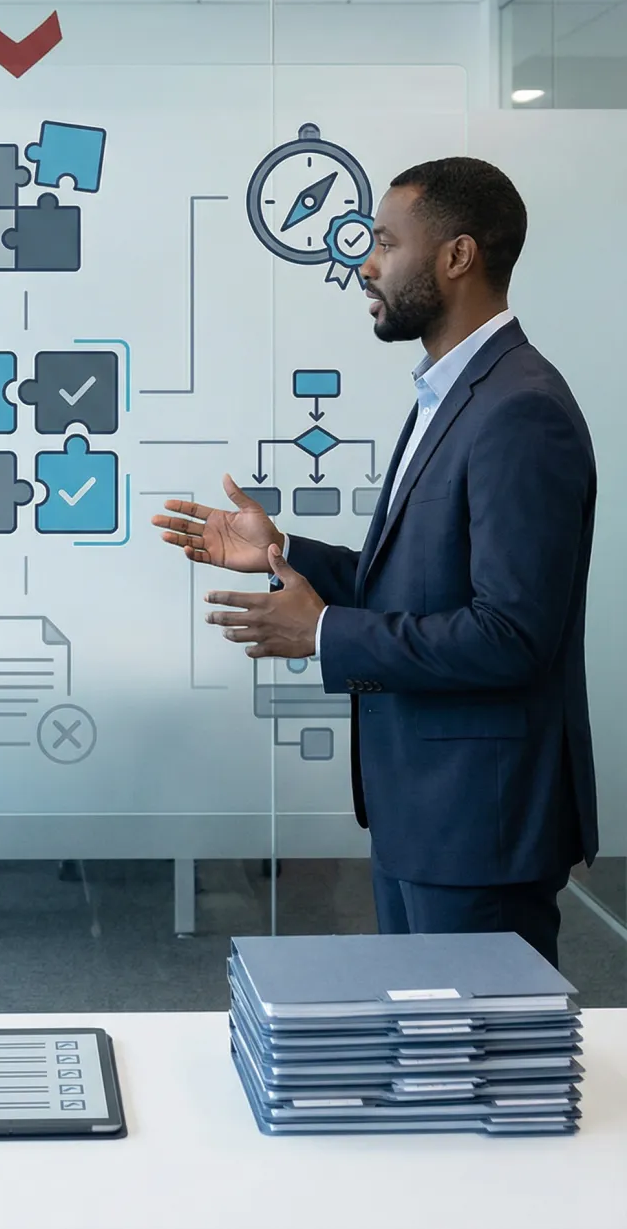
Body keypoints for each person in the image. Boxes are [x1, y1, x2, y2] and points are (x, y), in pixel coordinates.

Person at [151, 157, 597, 966]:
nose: (365, 262)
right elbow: (420, 582)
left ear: (456, 257)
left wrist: (325, 634)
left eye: (387, 243)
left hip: (479, 826)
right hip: (424, 812)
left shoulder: (521, 410)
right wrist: (283, 553)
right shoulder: (455, 392)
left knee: (478, 1074)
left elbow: (511, 633)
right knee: (434, 1058)